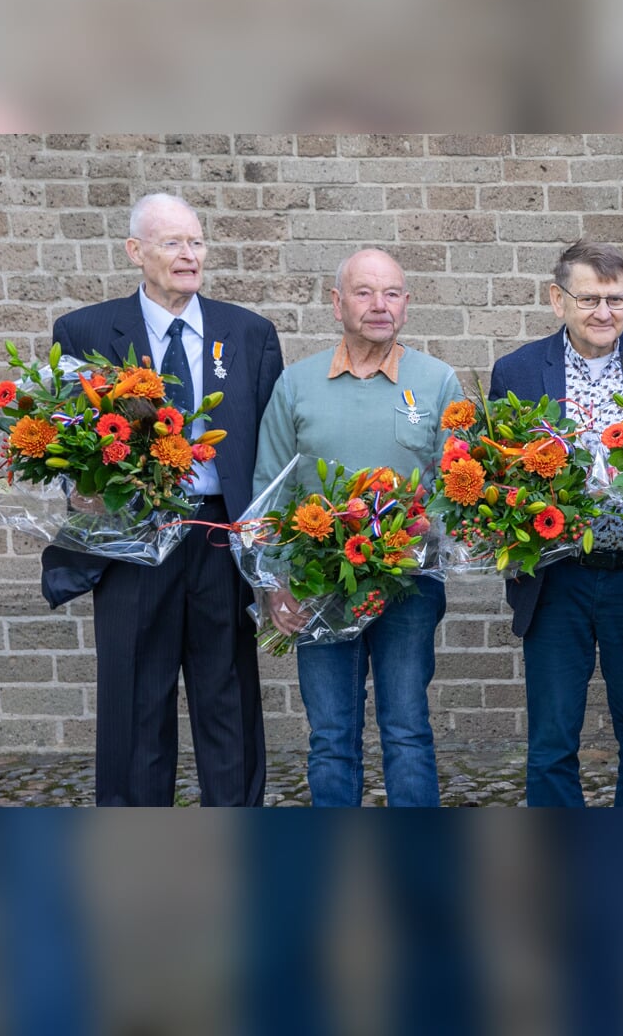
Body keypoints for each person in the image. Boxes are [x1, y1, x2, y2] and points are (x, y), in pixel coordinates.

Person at [39, 192, 280, 806]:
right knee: (133, 702)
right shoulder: (85, 332)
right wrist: (83, 490)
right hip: (130, 536)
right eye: (172, 242)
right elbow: (66, 438)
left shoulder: (250, 333)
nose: (188, 255)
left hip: (219, 534)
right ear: (135, 252)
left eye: (196, 242)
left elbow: (273, 447)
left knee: (228, 698)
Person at [253, 248, 463, 807]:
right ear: (337, 302)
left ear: (407, 304)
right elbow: (267, 492)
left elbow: (460, 486)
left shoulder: (438, 382)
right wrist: (273, 585)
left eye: (391, 293)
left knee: (407, 730)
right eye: (365, 293)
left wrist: (422, 526)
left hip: (409, 586)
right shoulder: (296, 385)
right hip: (316, 585)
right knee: (330, 739)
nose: (379, 306)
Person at [489, 240, 623, 806]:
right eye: (589, 299)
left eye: (617, 299)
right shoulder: (519, 371)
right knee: (552, 736)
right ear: (558, 300)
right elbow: (500, 477)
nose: (605, 312)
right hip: (555, 579)